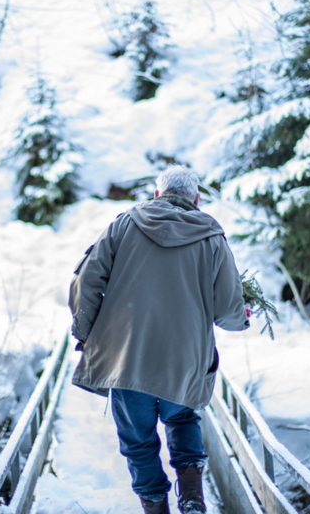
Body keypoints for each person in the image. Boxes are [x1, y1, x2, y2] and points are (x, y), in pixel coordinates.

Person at [68, 165, 249, 514]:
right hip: (184, 360)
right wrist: (242, 318)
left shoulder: (124, 225)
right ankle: (193, 498)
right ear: (195, 200)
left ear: (156, 194)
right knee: (182, 420)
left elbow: (85, 281)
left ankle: (155, 507)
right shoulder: (212, 238)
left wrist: (87, 333)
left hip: (125, 355)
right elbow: (228, 307)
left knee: (138, 440)